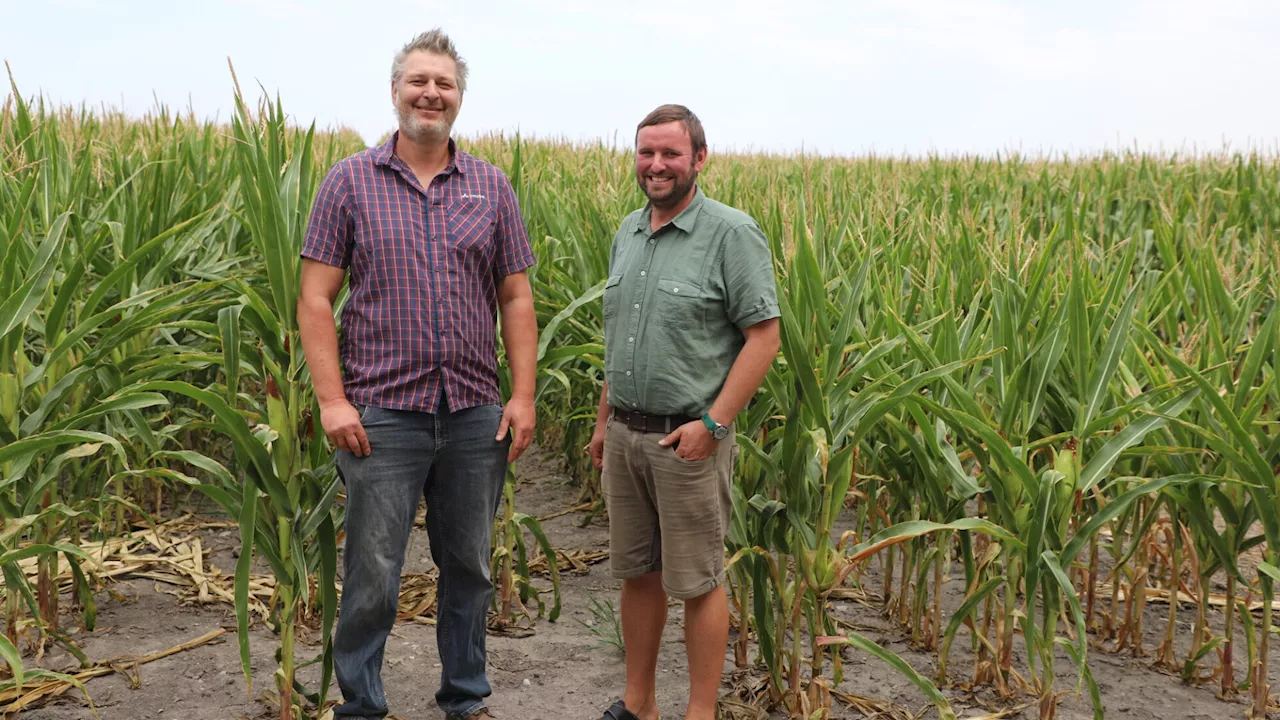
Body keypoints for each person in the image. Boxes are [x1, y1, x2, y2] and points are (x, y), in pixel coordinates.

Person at [297, 28, 537, 720]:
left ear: (459, 98)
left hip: (471, 413)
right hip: (381, 415)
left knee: (470, 568)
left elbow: (515, 297)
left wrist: (521, 396)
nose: (431, 93)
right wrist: (332, 400)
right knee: (372, 573)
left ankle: (464, 698)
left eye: (445, 84)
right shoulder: (349, 181)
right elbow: (316, 298)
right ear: (395, 90)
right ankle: (363, 706)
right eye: (419, 81)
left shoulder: (490, 186)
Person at [589, 104, 781, 720]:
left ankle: (700, 712)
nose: (656, 165)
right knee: (636, 573)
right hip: (625, 435)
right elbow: (621, 336)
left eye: (671, 153)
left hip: (687, 439)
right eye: (647, 152)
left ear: (699, 158)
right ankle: (638, 703)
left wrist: (715, 424)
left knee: (697, 581)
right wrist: (601, 423)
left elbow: (764, 337)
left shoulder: (730, 233)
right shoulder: (628, 231)